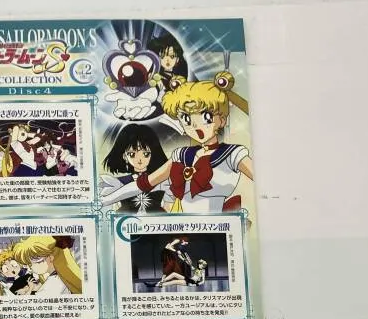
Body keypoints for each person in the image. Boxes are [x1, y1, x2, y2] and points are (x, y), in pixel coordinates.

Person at [100, 72, 253, 214]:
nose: (195, 125)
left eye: (206, 117)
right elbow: (144, 184)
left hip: (216, 226)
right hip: (182, 226)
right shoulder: (181, 155)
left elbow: (262, 179)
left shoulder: (232, 154)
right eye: (186, 119)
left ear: (222, 120)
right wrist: (106, 200)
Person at [103, 124, 169, 213]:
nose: (140, 159)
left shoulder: (159, 179)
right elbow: (115, 207)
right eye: (132, 154)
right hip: (127, 218)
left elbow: (168, 205)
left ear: (152, 154)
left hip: (156, 218)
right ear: (124, 156)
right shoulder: (119, 182)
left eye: (146, 154)